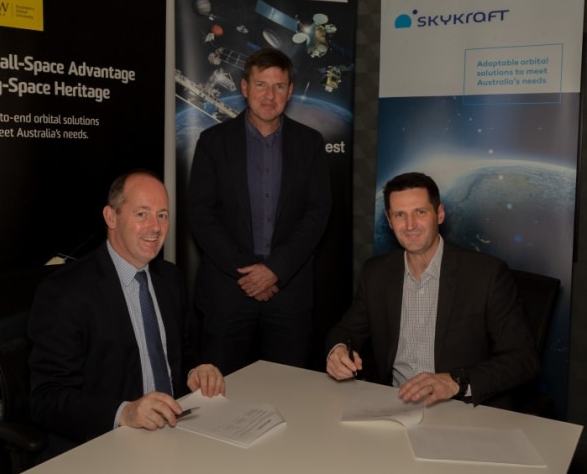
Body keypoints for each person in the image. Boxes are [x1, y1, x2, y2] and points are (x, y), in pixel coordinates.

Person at [28, 170, 224, 456]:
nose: (155, 227)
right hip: (104, 444)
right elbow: (46, 399)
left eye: (162, 215)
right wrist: (125, 412)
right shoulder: (65, 292)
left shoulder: (170, 278)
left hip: (175, 432)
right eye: (142, 214)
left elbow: (179, 352)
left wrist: (197, 370)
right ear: (111, 217)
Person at [326, 172, 539, 409]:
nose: (409, 226)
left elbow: (523, 359)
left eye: (420, 212)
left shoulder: (486, 275)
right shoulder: (376, 273)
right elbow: (345, 331)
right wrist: (338, 351)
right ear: (389, 220)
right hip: (395, 405)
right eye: (399, 215)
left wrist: (456, 381)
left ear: (439, 214)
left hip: (460, 406)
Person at [188, 48, 332, 375]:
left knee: (288, 395)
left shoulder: (310, 143)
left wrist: (275, 269)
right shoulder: (213, 142)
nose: (269, 95)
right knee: (218, 397)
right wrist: (250, 271)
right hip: (228, 291)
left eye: (279, 86)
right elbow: (201, 214)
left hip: (289, 291)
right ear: (244, 87)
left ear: (290, 91)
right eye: (261, 85)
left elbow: (318, 212)